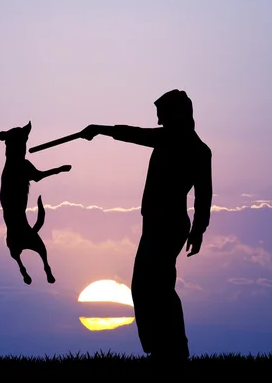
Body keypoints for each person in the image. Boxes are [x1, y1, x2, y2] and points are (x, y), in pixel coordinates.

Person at [80, 89, 212, 365]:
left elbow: (204, 195)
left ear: (176, 114)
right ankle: (167, 349)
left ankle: (169, 349)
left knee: (152, 286)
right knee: (154, 286)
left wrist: (100, 129)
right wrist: (198, 229)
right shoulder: (191, 146)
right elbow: (134, 133)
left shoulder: (176, 143)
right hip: (163, 223)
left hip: (166, 224)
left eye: (162, 115)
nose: (159, 121)